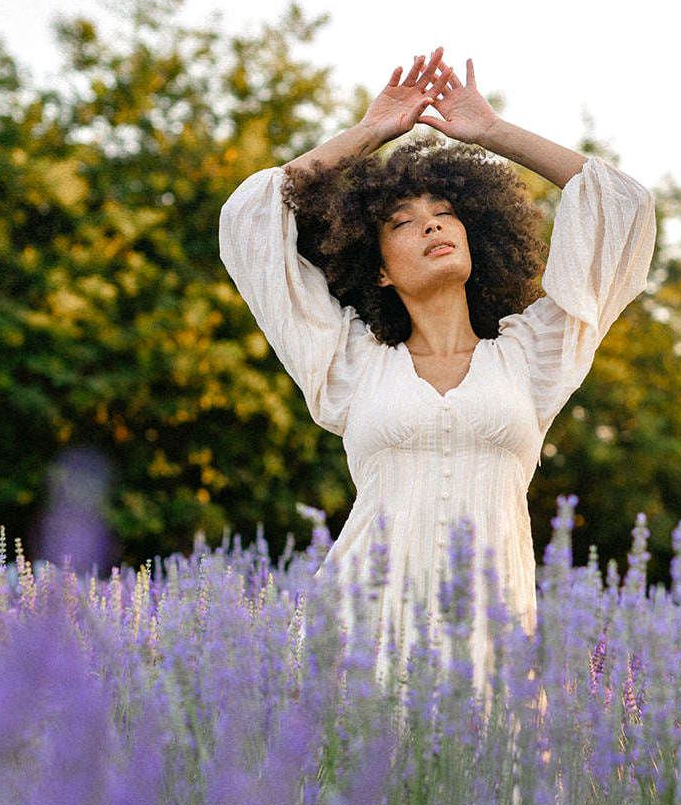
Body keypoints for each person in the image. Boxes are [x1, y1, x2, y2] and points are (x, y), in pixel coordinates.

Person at [219, 49, 655, 687]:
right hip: (357, 643)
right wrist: (368, 135)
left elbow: (622, 206)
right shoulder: (350, 362)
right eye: (403, 222)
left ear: (475, 234)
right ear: (380, 270)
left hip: (492, 651)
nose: (431, 226)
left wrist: (494, 134)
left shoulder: (531, 357)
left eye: (444, 214)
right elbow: (250, 218)